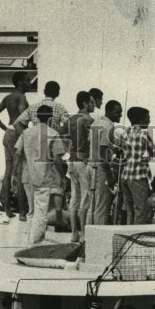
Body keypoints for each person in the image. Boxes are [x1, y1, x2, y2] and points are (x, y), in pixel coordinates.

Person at [16, 105, 67, 244]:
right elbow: (57, 159)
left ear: (36, 117)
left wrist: (16, 173)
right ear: (51, 117)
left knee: (31, 211)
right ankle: (35, 244)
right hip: (43, 178)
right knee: (40, 212)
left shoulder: (26, 133)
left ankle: (27, 242)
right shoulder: (53, 133)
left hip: (27, 176)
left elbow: (17, 153)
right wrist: (62, 176)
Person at [0, 71, 32, 217]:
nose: (30, 82)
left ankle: (7, 209)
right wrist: (24, 136)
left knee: (8, 171)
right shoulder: (21, 97)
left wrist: (5, 128)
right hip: (17, 135)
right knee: (19, 172)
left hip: (8, 133)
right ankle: (22, 212)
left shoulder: (8, 97)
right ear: (20, 82)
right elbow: (20, 118)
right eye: (27, 80)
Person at [86, 100, 123, 225]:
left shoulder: (96, 123)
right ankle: (99, 239)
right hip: (100, 168)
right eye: (117, 112)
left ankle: (89, 238)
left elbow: (93, 145)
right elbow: (102, 151)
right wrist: (109, 176)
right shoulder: (109, 126)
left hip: (90, 166)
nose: (120, 115)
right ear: (109, 111)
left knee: (93, 205)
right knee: (102, 207)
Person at [67, 90, 97, 239]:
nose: (94, 105)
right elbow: (91, 143)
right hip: (82, 161)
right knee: (86, 198)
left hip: (71, 160)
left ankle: (74, 233)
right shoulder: (88, 120)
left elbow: (64, 137)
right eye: (91, 102)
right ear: (85, 103)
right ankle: (84, 234)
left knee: (74, 198)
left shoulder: (71, 119)